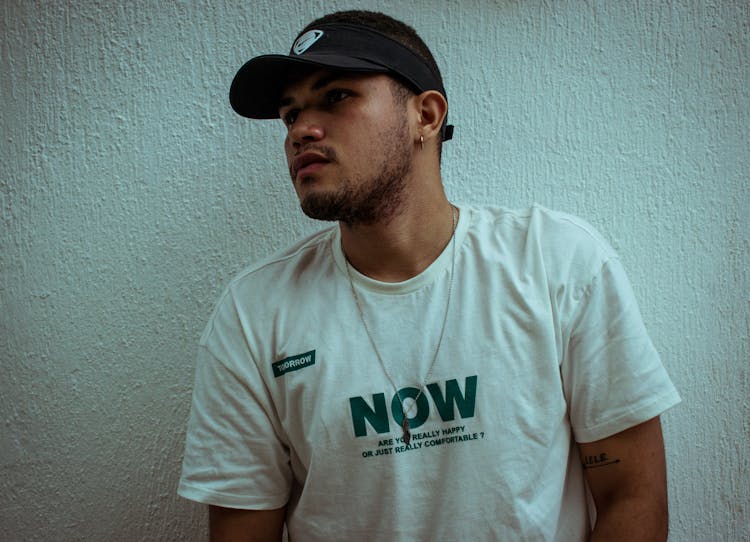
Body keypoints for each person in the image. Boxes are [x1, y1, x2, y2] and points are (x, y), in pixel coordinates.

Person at [178, 10, 681, 541]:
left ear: (427, 114)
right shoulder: (255, 312)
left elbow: (633, 497)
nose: (302, 129)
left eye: (337, 97)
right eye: (290, 114)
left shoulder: (554, 261)